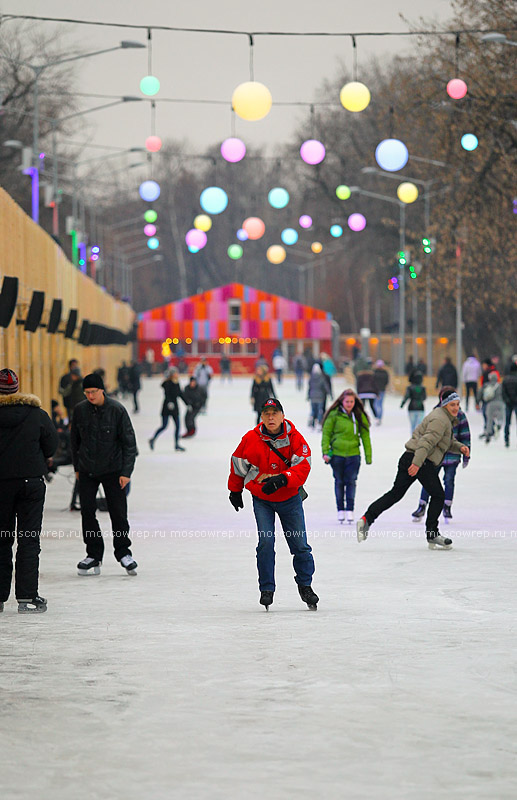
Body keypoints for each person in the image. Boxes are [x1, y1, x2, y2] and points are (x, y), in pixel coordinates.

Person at [228, 397, 318, 611]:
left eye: (275, 413)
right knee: (266, 544)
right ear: (261, 417)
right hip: (262, 500)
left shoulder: (295, 438)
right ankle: (266, 588)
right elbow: (238, 464)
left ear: (282, 415)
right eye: (267, 413)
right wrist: (235, 490)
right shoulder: (250, 438)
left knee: (300, 546)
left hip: (289, 499)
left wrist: (282, 479)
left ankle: (305, 586)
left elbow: (303, 466)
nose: (271, 417)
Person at [356, 389, 470, 550]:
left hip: (410, 457)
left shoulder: (443, 418)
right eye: (452, 404)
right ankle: (432, 534)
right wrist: (417, 463)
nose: (456, 408)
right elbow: (426, 442)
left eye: (457, 404)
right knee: (438, 495)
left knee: (395, 493)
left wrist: (461, 448)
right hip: (420, 460)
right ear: (445, 404)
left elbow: (446, 442)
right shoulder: (440, 420)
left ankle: (366, 519)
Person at [0, 368, 58, 614]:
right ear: (17, 388)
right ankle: (26, 598)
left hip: (1, 486)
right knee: (28, 539)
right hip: (31, 485)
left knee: (1, 540)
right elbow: (52, 445)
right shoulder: (37, 415)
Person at [71, 373, 138, 576]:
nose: (90, 396)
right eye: (87, 392)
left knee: (118, 513)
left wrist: (126, 472)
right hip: (87, 471)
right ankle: (93, 555)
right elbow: (75, 442)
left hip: (113, 471)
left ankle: (124, 553)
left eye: (93, 392)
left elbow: (129, 444)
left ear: (102, 390)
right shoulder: (80, 411)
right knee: (87, 512)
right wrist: (77, 468)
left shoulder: (117, 410)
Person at [412, 386, 471, 522]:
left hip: (452, 455)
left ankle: (447, 506)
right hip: (435, 455)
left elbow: (465, 435)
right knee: (429, 480)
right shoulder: (436, 413)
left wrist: (466, 453)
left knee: (449, 480)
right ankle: (422, 506)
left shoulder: (460, 415)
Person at [321, 389, 372, 525]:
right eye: (347, 401)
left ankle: (350, 508)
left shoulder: (359, 415)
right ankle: (340, 509)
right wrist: (325, 451)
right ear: (342, 402)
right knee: (339, 481)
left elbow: (365, 436)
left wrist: (368, 455)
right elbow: (326, 433)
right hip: (337, 455)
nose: (349, 404)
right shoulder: (334, 415)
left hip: (353, 455)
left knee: (351, 481)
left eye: (351, 401)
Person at [149, 368, 186, 451]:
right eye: (175, 373)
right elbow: (167, 394)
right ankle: (153, 439)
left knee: (177, 426)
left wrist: (188, 403)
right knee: (164, 426)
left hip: (175, 407)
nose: (177, 374)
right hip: (167, 407)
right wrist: (169, 402)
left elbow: (180, 394)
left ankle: (176, 444)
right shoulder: (167, 383)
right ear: (172, 374)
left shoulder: (177, 383)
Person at [480, 372, 504, 444]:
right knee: (500, 416)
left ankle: (488, 434)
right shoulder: (500, 386)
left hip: (490, 404)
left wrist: (479, 401)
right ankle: (499, 424)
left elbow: (480, 393)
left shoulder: (486, 385)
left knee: (489, 419)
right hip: (499, 403)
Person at [307, 363, 328, 429]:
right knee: (320, 410)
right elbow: (325, 386)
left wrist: (308, 395)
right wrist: (329, 393)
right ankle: (319, 423)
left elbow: (309, 387)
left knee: (313, 410)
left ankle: (312, 422)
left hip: (313, 396)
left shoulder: (311, 378)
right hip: (320, 396)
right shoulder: (321, 377)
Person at [502, 362, 517, 448]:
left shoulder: (505, 379)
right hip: (516, 403)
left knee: (507, 422)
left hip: (508, 403)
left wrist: (507, 400)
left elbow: (503, 392)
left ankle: (506, 439)